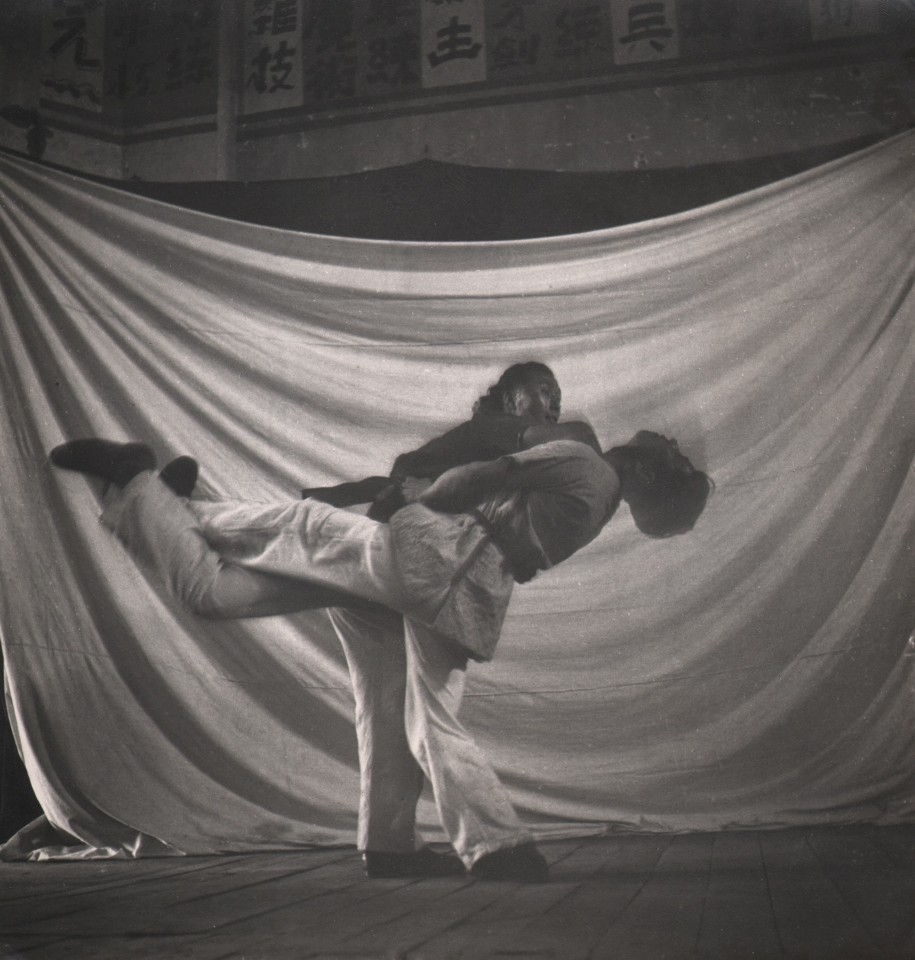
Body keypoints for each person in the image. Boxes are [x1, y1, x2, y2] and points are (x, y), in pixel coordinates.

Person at [49, 422, 711, 882]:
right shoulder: (596, 496)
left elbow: (490, 473)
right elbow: (513, 503)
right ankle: (399, 844)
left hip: (427, 563)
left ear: (643, 467)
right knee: (389, 694)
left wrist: (425, 495)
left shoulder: (587, 466)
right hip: (448, 583)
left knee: (297, 534)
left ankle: (157, 494)